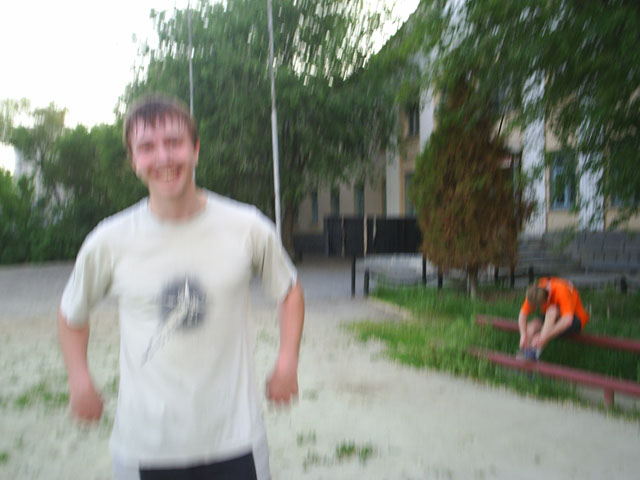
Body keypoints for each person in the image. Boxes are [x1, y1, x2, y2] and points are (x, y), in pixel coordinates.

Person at [57, 95, 304, 480]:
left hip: (235, 438)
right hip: (145, 447)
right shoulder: (108, 241)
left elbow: (289, 290)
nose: (163, 157)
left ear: (196, 149)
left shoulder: (247, 226)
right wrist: (79, 380)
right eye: (146, 147)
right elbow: (71, 314)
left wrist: (287, 362)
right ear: (133, 161)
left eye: (174, 142)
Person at [517, 276, 589, 360]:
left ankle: (533, 354)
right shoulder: (535, 291)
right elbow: (522, 315)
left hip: (574, 319)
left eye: (539, 305)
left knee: (552, 311)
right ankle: (522, 358)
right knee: (531, 328)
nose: (538, 308)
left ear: (547, 298)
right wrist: (523, 334)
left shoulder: (561, 291)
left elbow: (567, 321)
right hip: (551, 318)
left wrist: (543, 336)